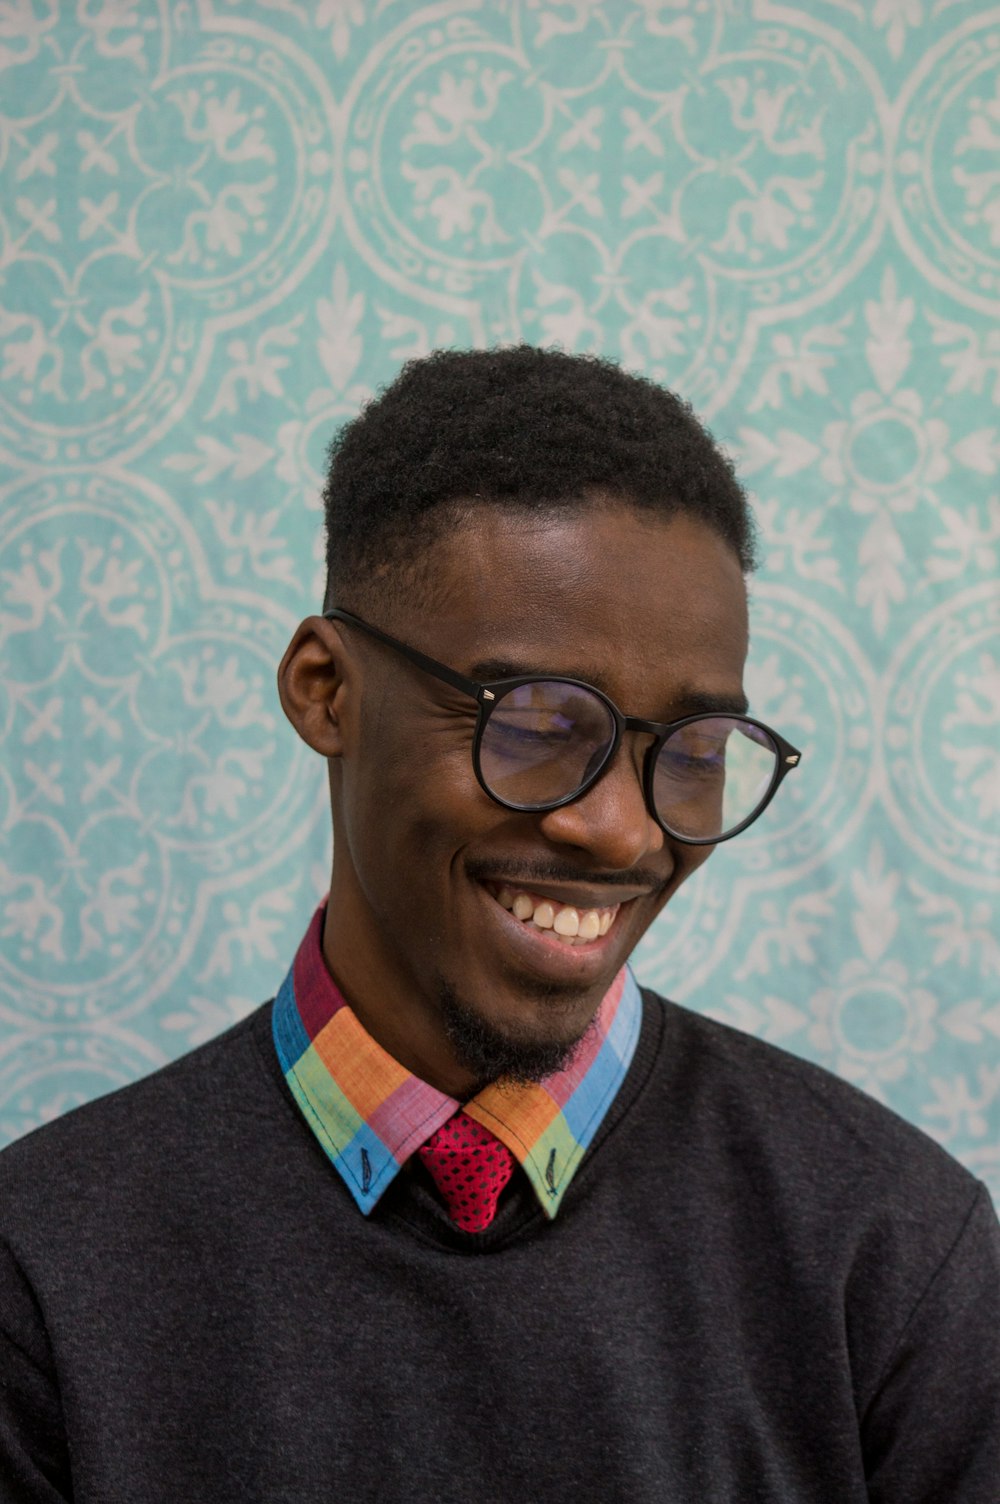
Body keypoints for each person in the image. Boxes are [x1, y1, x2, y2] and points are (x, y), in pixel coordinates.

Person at [0, 348, 997, 1504]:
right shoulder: (46, 1277)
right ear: (327, 690)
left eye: (699, 750)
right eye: (533, 720)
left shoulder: (887, 1255)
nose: (623, 833)